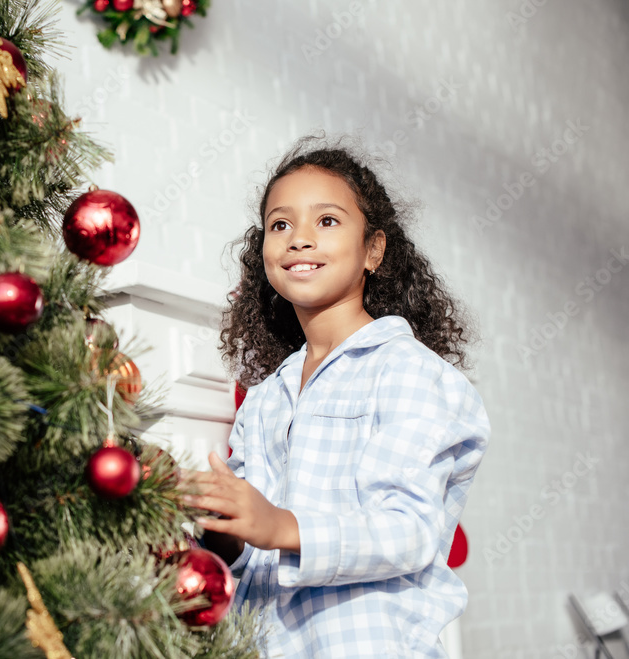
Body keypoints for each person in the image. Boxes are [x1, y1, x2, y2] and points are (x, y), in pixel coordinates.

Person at [181, 135, 491, 658]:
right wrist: (222, 525)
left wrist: (278, 524)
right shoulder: (265, 398)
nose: (300, 239)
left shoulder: (412, 373)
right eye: (281, 225)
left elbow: (407, 533)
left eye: (326, 221)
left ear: (374, 250)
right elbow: (249, 550)